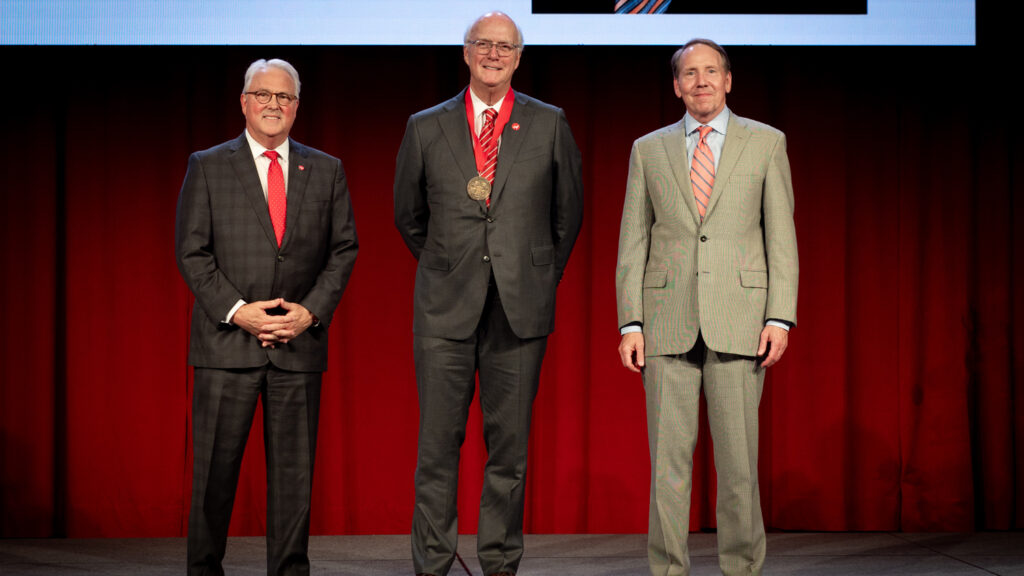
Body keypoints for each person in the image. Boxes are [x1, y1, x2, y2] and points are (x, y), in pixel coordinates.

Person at [393, 11, 584, 576]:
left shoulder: (549, 123)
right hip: (444, 310)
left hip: (519, 309)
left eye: (505, 46)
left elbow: (566, 216)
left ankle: (500, 562)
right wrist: (453, 266)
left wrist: (534, 276)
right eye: (483, 44)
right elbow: (409, 215)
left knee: (510, 451)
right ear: (466, 52)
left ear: (519, 57)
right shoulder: (425, 126)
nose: (493, 54)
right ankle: (432, 563)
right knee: (437, 448)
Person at [615, 39, 798, 576]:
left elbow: (780, 236)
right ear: (676, 86)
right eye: (690, 74)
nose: (701, 81)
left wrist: (779, 316)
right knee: (667, 468)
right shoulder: (648, 149)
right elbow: (633, 240)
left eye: (710, 72)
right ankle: (668, 570)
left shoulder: (765, 143)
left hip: (739, 321)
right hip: (666, 322)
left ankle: (741, 569)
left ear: (728, 80)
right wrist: (631, 321)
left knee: (739, 466)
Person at [175, 58, 358, 576]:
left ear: (297, 106)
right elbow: (192, 252)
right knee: (213, 478)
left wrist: (310, 312)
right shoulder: (208, 165)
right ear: (244, 102)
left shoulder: (326, 169)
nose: (274, 105)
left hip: (299, 347)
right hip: (225, 347)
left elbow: (344, 250)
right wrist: (239, 312)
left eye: (285, 97)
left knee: (294, 483)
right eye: (264, 95)